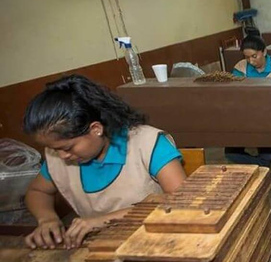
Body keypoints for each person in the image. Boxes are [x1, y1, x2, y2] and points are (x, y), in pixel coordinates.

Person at [22, 75, 186, 250]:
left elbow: (181, 201)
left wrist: (104, 221)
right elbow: (37, 191)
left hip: (159, 242)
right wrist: (47, 218)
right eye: (54, 149)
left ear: (96, 129)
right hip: (103, 247)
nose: (62, 156)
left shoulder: (147, 144)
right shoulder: (60, 155)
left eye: (67, 148)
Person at [227, 35, 271, 166]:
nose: (250, 61)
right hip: (246, 119)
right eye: (247, 57)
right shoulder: (241, 68)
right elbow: (235, 96)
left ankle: (258, 165)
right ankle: (259, 166)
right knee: (230, 153)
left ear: (264, 52)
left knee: (267, 155)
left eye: (254, 56)